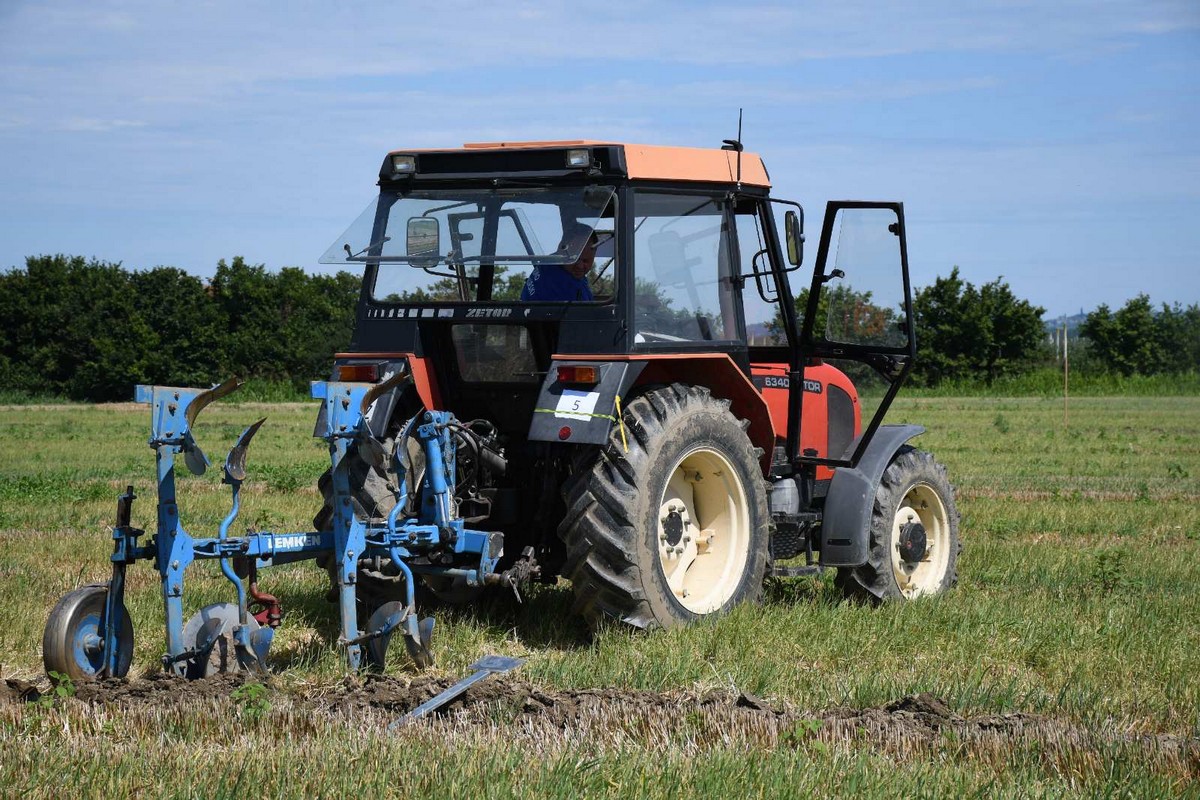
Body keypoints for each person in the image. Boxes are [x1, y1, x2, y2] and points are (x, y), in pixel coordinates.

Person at [520, 222, 599, 302]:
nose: (580, 266)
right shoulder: (565, 285)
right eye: (574, 258)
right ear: (562, 249)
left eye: (586, 261)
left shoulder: (549, 262)